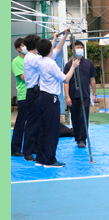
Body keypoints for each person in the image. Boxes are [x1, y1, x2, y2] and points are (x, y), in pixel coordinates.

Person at [23, 30, 68, 162]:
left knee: (40, 123)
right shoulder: (33, 58)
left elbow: (49, 52)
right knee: (33, 122)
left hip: (38, 92)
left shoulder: (36, 57)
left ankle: (37, 149)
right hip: (34, 92)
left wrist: (55, 39)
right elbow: (49, 54)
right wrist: (55, 42)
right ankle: (28, 151)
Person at [36, 39, 80, 168]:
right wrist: (73, 66)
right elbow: (65, 79)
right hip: (51, 99)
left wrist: (60, 37)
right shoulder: (51, 63)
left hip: (42, 97)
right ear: (50, 49)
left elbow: (55, 51)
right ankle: (50, 160)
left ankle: (41, 158)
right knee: (52, 130)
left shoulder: (39, 60)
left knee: (43, 128)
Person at [64, 41, 97, 148]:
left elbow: (92, 79)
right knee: (75, 118)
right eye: (77, 47)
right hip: (73, 95)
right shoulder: (68, 65)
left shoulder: (89, 63)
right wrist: (67, 96)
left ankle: (82, 139)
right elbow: (66, 81)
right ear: (72, 50)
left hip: (85, 95)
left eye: (81, 47)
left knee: (84, 117)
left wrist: (94, 94)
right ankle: (77, 137)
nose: (80, 49)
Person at [11, 38, 28, 157]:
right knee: (21, 122)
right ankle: (16, 148)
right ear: (18, 49)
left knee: (34, 122)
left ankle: (33, 147)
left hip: (35, 94)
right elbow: (24, 77)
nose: (25, 47)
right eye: (23, 46)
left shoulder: (32, 58)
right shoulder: (16, 61)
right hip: (23, 95)